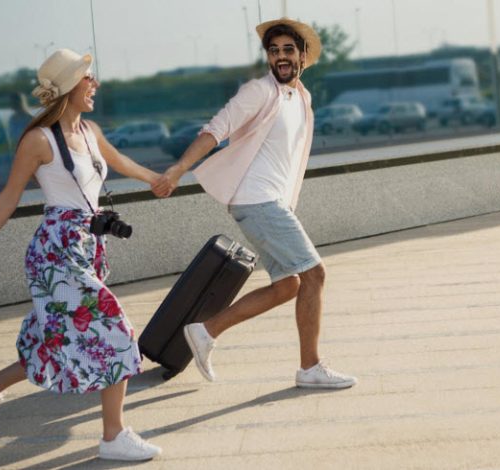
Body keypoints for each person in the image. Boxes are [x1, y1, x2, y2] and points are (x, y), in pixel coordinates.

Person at [0, 49, 167, 461]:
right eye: (88, 78)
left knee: (54, 339)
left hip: (87, 245)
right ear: (69, 87)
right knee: (115, 330)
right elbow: (9, 197)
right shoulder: (38, 140)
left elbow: (117, 160)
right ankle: (113, 436)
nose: (95, 84)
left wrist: (155, 178)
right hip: (55, 253)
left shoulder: (89, 131)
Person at [153, 18, 357, 390]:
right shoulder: (257, 92)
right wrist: (179, 168)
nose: (280, 57)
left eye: (287, 50)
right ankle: (310, 368)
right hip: (256, 198)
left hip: (271, 201)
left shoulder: (301, 98)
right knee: (315, 274)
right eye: (273, 50)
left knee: (289, 285)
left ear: (302, 56)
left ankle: (205, 331)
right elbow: (215, 129)